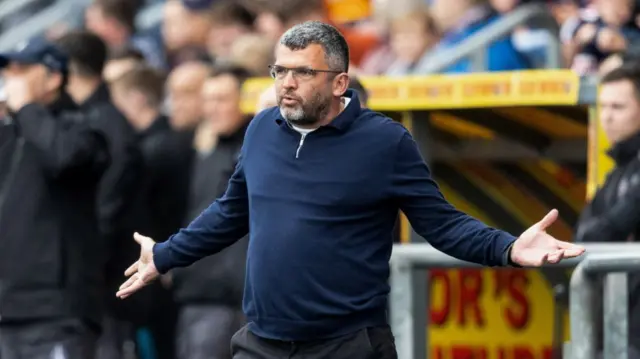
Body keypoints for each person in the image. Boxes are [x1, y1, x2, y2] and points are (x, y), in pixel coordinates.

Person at [117, 21, 585, 358]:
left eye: (302, 73)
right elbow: (229, 213)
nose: (287, 84)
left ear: (340, 82)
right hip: (261, 342)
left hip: (347, 346)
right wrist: (166, 255)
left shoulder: (385, 142)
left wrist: (508, 246)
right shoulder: (261, 129)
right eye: (280, 71)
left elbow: (442, 224)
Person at [0, 37, 110, 358]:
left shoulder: (85, 127)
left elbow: (62, 158)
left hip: (56, 311)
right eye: (9, 71)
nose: (11, 79)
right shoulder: (10, 133)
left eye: (23, 70)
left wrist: (28, 109)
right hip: (8, 309)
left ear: (53, 77)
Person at [172, 65, 252, 359]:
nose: (212, 109)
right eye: (208, 100)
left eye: (222, 99)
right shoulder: (203, 150)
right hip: (203, 292)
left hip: (247, 296)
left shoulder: (260, 151)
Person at [576, 63, 640, 359]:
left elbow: (610, 227)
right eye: (603, 106)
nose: (607, 116)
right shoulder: (618, 172)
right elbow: (586, 235)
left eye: (618, 106)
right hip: (619, 322)